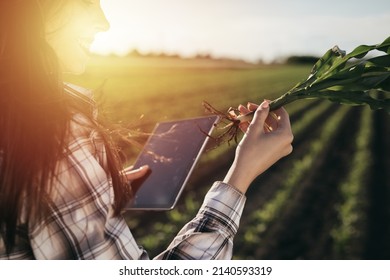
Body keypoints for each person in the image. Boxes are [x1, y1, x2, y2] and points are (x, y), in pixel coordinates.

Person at [0, 0, 293, 260]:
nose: (104, 23)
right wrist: (240, 178)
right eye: (87, 1)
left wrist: (89, 193)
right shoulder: (52, 138)